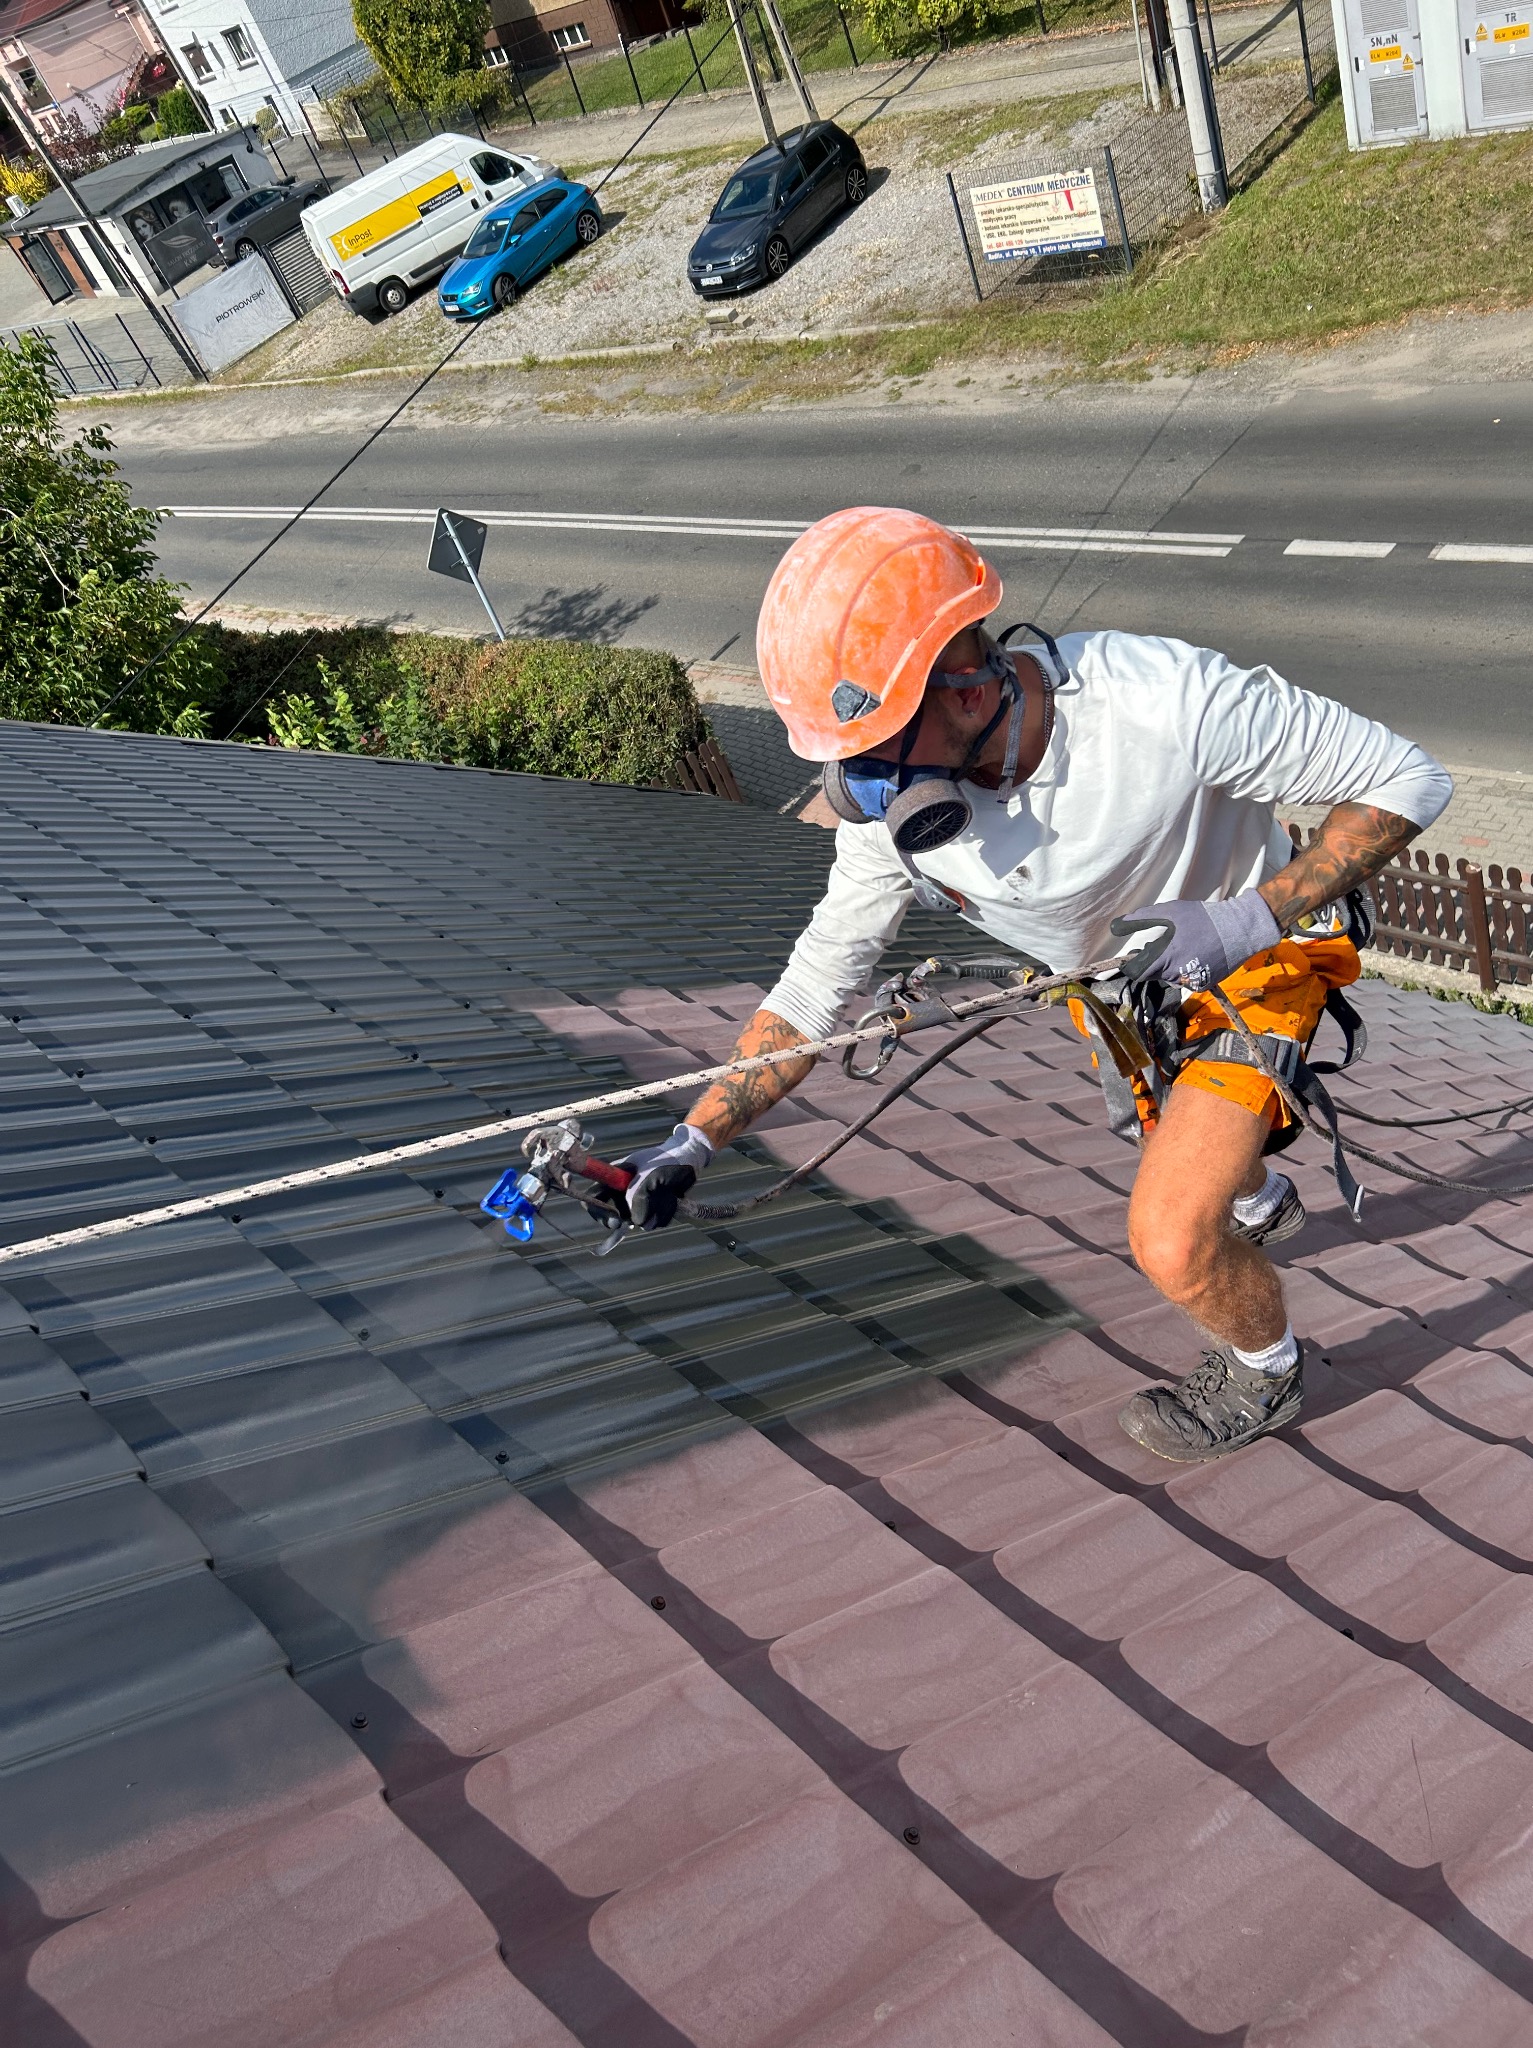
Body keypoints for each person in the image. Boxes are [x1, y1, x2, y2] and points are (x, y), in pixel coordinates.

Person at [619, 507, 1451, 1463]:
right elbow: (809, 1000)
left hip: (1251, 961)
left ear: (967, 692)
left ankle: (1265, 1372)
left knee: (1172, 1239)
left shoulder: (1165, 706)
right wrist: (691, 1142)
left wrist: (1244, 918)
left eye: (880, 750)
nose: (864, 790)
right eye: (848, 763)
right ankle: (1257, 1196)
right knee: (1174, 1128)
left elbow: (1409, 778)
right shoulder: (889, 828)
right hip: (1111, 992)